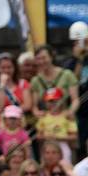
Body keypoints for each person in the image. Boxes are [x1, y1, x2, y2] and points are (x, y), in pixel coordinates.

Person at [31, 45, 80, 122]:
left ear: (51, 57)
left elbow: (75, 99)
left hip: (64, 119)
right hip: (46, 120)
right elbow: (34, 106)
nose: (41, 61)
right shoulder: (36, 80)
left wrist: (70, 111)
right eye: (38, 59)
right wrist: (36, 112)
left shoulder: (67, 75)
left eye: (44, 58)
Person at [0, 53, 32, 132]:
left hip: (19, 127)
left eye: (9, 67)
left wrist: (10, 113)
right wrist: (2, 86)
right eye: (3, 68)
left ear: (14, 68)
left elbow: (27, 105)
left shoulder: (23, 84)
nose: (6, 70)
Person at [64, 21, 88, 158]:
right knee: (81, 147)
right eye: (77, 42)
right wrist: (79, 59)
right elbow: (73, 81)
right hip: (79, 113)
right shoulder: (70, 63)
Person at [36, 88, 78, 163]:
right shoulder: (43, 116)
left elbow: (74, 136)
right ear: (45, 102)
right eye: (50, 101)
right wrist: (46, 137)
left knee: (65, 166)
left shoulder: (67, 116)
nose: (53, 103)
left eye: (55, 100)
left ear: (61, 101)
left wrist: (58, 138)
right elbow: (38, 135)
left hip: (63, 145)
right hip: (47, 146)